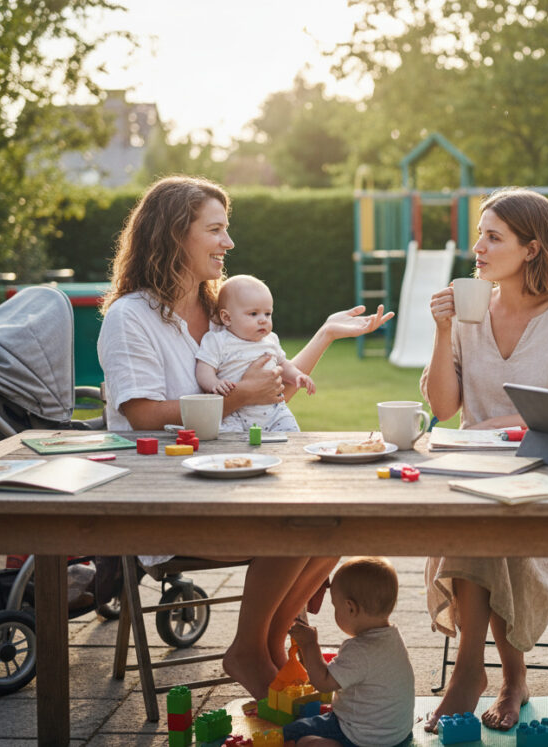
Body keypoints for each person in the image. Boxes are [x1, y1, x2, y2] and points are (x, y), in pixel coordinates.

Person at [97, 175, 394, 701]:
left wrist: (323, 334)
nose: (228, 244)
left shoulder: (218, 311)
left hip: (229, 479)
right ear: (173, 236)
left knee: (335, 518)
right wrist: (237, 398)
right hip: (165, 490)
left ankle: (271, 644)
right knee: (297, 522)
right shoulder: (131, 318)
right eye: (215, 230)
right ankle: (249, 652)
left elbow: (269, 392)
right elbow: (142, 415)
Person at [420, 187, 548, 731]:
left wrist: (490, 427)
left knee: (485, 531)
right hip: (474, 474)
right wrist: (442, 330)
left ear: (531, 248)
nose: (477, 246)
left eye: (493, 237)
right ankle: (497, 677)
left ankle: (475, 677)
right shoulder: (470, 309)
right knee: (478, 523)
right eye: (480, 234)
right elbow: (441, 406)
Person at [286, 557, 415, 747]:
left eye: (335, 607)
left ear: (350, 607)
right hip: (398, 736)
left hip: (361, 737)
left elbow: (323, 683)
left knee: (294, 734)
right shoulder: (393, 637)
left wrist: (309, 645)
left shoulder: (359, 649)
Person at [195, 274, 314, 433]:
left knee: (291, 437)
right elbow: (203, 369)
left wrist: (298, 375)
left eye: (267, 314)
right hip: (234, 413)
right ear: (227, 317)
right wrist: (214, 383)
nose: (263, 320)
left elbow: (283, 364)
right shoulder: (218, 341)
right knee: (230, 444)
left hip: (274, 412)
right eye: (253, 314)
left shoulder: (270, 340)